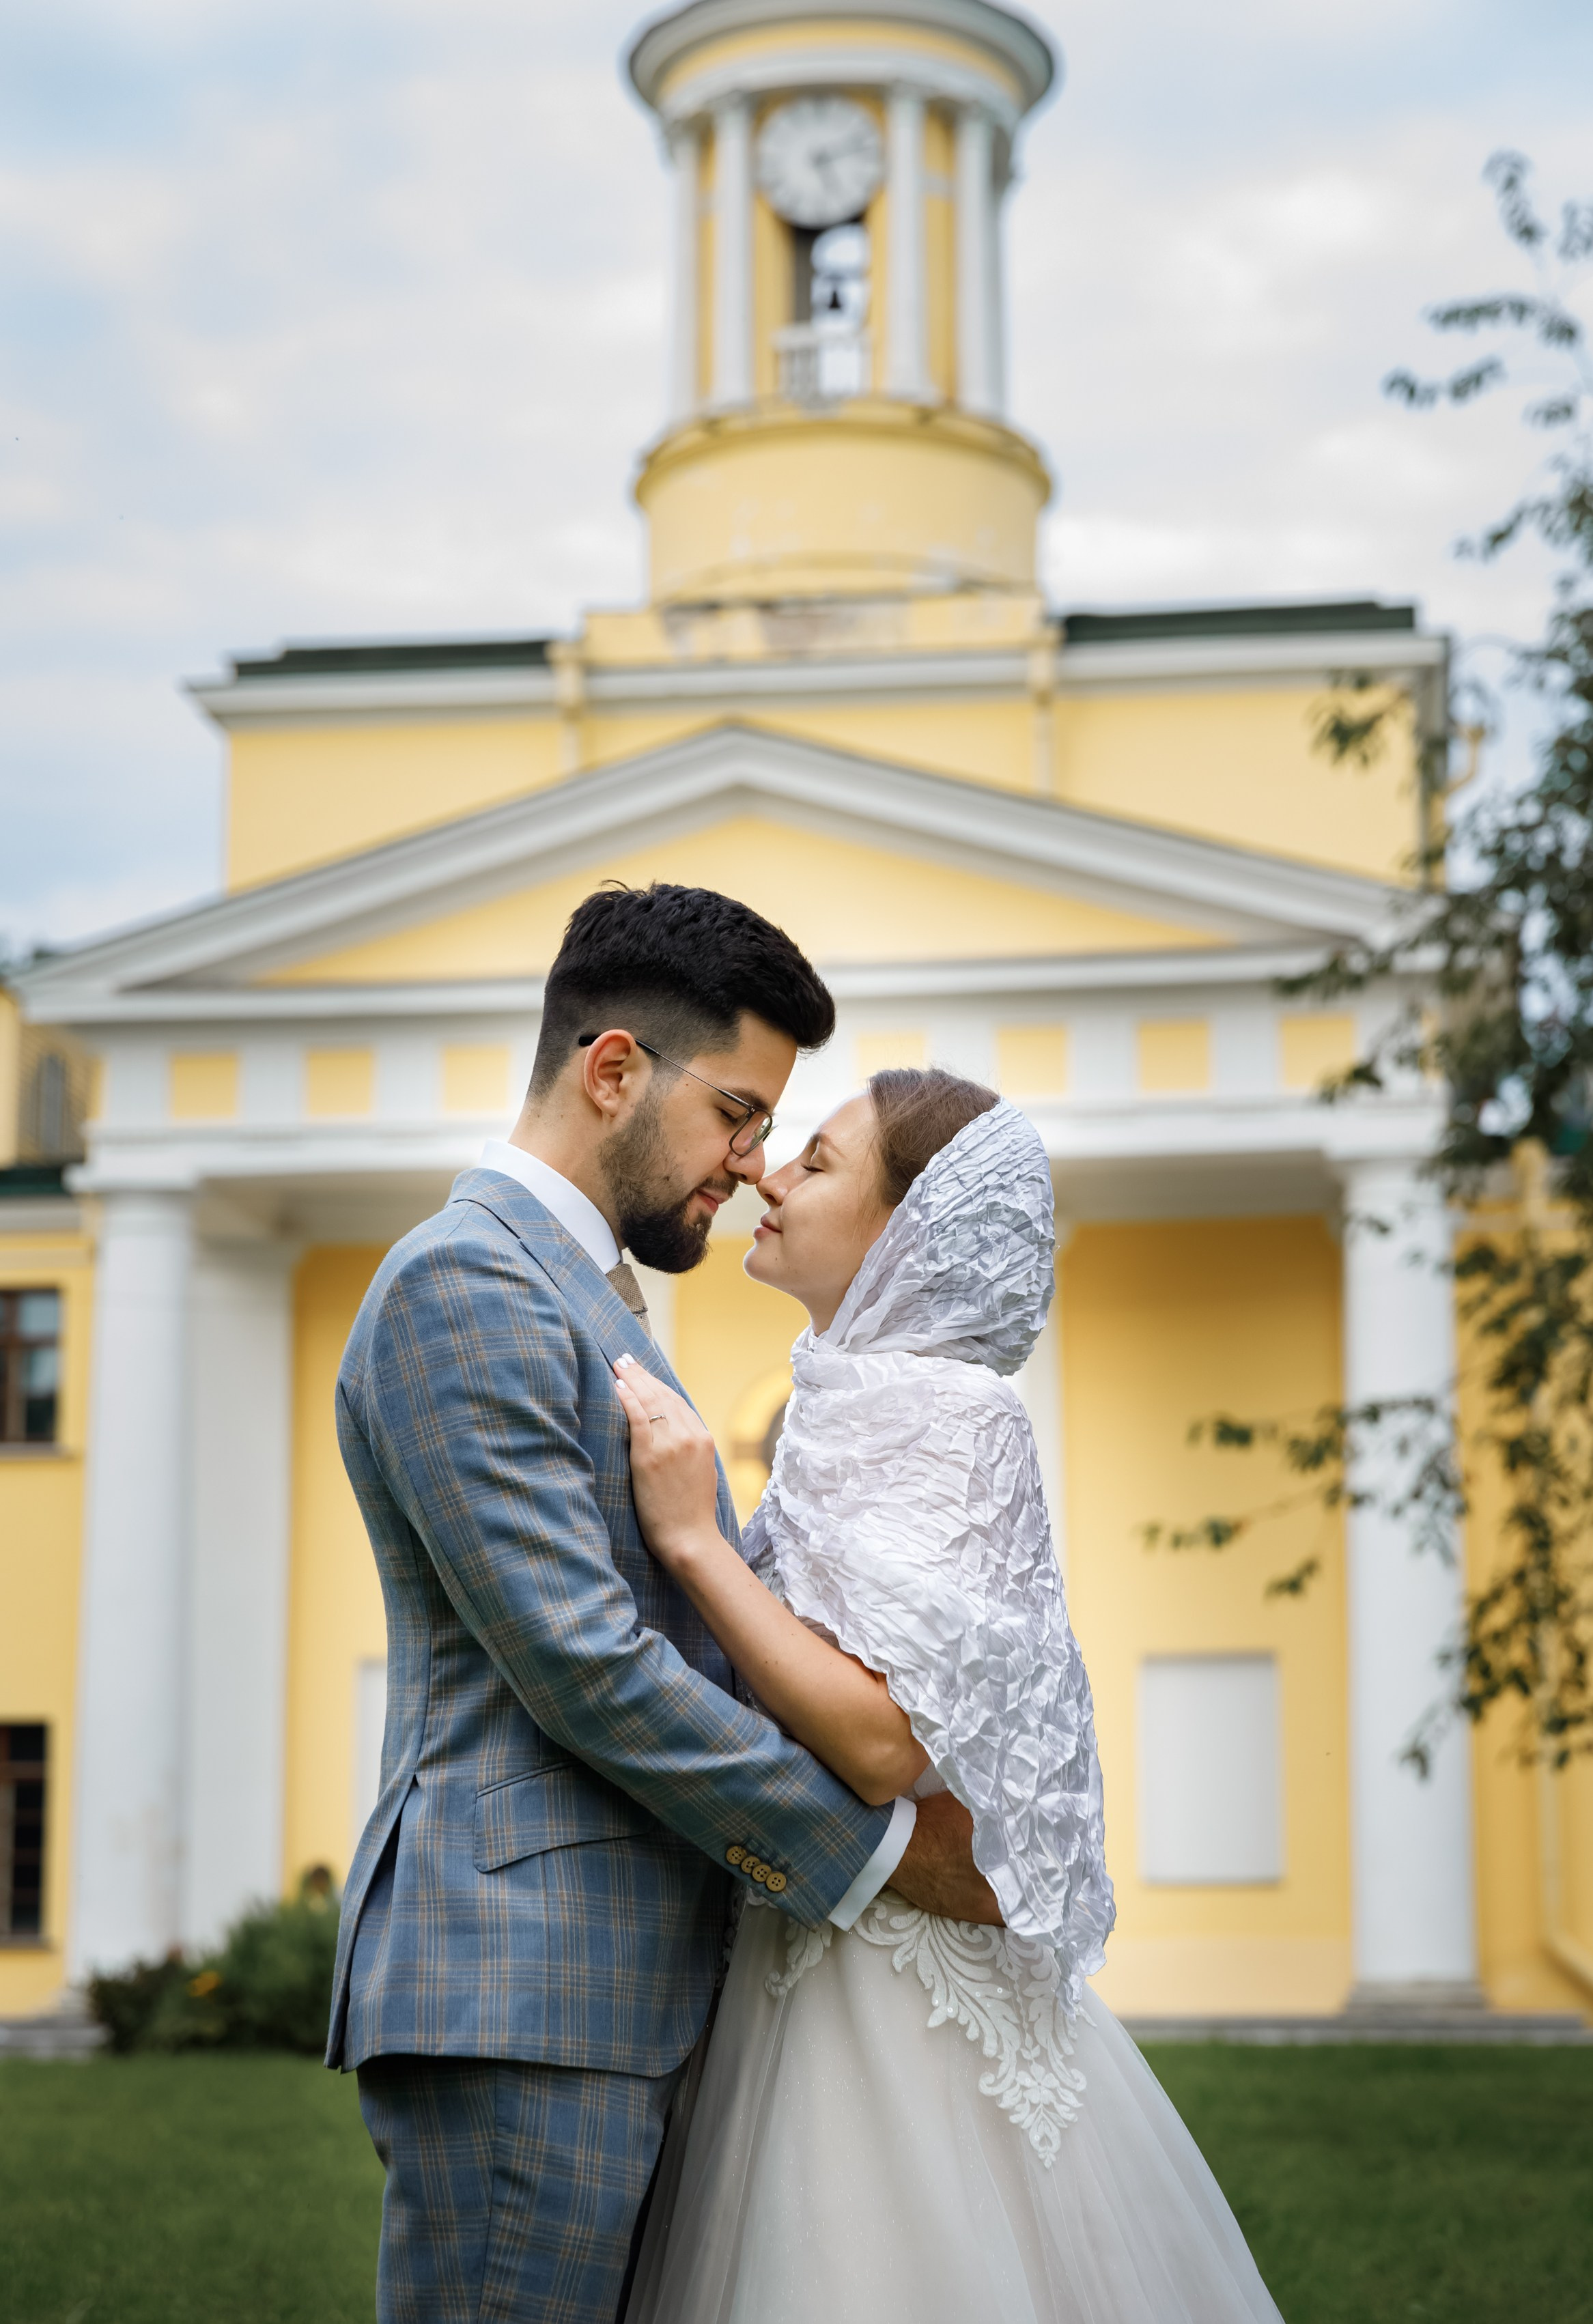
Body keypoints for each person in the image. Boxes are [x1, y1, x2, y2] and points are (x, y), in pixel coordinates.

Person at [326, 884, 997, 2324]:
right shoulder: (468, 1283)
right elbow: (587, 1664)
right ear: (614, 1068)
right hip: (524, 1995)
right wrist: (882, 1859)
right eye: (739, 1114)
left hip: (608, 1987)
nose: (752, 1165)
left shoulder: (583, 1295)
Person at [614, 1071, 1287, 2324]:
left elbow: (879, 1742)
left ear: (903, 1227)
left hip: (889, 1986)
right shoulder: (861, 1398)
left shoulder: (940, 1413)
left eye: (815, 1164)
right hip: (816, 1932)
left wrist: (693, 1544)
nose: (767, 1174)